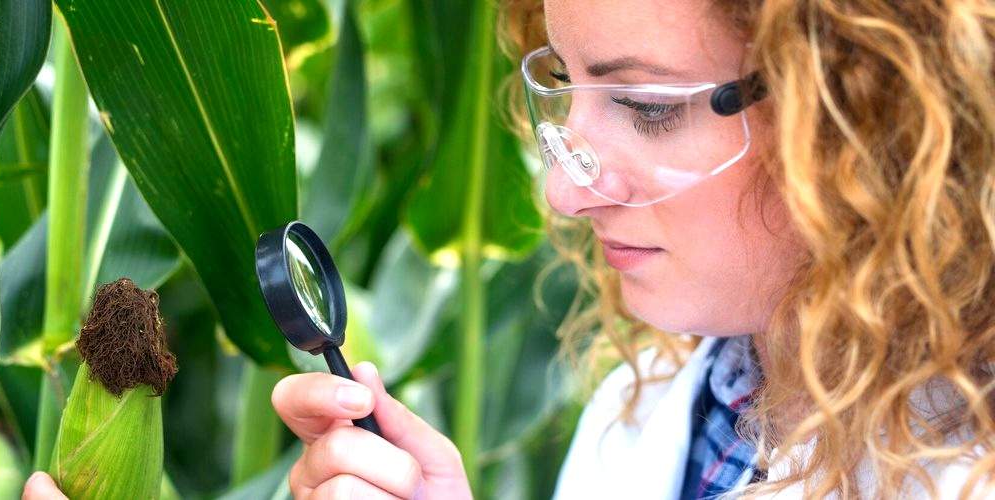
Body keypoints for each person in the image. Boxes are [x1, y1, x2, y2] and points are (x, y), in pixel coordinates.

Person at [269, 0, 995, 499]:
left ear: (870, 112)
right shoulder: (646, 408)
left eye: (649, 107)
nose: (562, 191)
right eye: (559, 81)